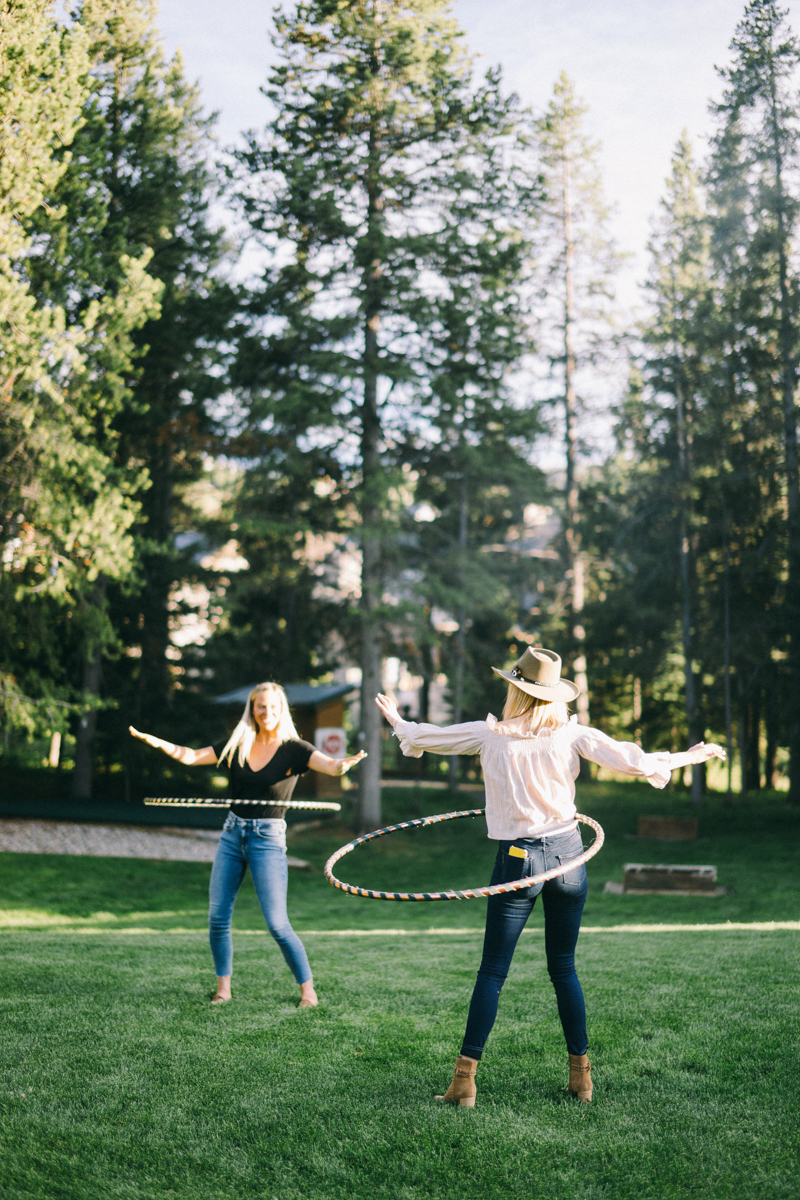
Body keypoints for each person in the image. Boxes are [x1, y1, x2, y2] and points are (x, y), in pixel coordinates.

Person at [375, 646, 724, 1107]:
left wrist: (399, 722)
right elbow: (635, 761)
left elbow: (432, 737)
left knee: (493, 971)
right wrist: (687, 757)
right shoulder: (572, 734)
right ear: (554, 694)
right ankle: (582, 1079)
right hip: (568, 854)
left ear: (515, 690)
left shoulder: (490, 735)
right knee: (563, 968)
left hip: (517, 860)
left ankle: (465, 1081)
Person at [130, 681, 365, 1008]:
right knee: (217, 917)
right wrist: (157, 742)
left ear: (281, 709)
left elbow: (327, 764)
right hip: (232, 834)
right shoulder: (238, 743)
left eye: (272, 706)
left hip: (267, 839)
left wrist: (341, 764)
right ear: (251, 709)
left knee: (277, 924)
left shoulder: (295, 748)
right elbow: (192, 756)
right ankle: (223, 989)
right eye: (260, 706)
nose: (266, 712)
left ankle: (308, 991)